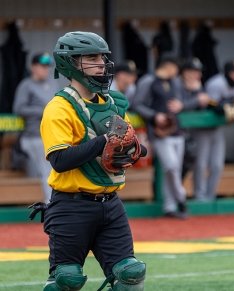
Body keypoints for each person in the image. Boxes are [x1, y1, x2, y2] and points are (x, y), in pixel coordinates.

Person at [38, 32, 146, 291]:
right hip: (71, 206)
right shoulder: (59, 107)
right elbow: (60, 160)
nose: (101, 62)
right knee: (67, 280)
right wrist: (103, 142)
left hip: (111, 205)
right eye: (91, 57)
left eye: (102, 57)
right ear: (71, 63)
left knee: (131, 276)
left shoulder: (114, 104)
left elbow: (135, 149)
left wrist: (134, 148)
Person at [132, 56, 187, 219]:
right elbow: (137, 104)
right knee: (171, 166)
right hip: (159, 132)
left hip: (176, 129)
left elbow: (182, 101)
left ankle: (170, 206)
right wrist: (155, 115)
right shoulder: (148, 81)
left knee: (173, 169)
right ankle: (181, 198)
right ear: (169, 66)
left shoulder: (175, 82)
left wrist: (180, 105)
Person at [194, 58, 234, 201]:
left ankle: (210, 197)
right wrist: (226, 108)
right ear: (227, 73)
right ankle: (200, 196)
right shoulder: (216, 84)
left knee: (217, 165)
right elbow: (210, 106)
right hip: (202, 127)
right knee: (201, 164)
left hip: (217, 128)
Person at [13, 52, 57, 203]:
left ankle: (54, 203)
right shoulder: (26, 85)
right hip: (33, 136)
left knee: (55, 169)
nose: (45, 70)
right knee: (48, 171)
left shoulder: (50, 84)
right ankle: (50, 204)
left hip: (50, 134)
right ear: (33, 67)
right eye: (42, 66)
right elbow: (19, 109)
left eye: (47, 67)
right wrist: (43, 110)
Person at [178, 58, 210, 180]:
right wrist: (196, 99)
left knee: (191, 159)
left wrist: (197, 92)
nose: (199, 75)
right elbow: (177, 106)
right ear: (186, 72)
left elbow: (204, 108)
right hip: (173, 131)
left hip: (192, 132)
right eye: (195, 71)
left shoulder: (200, 87)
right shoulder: (176, 84)